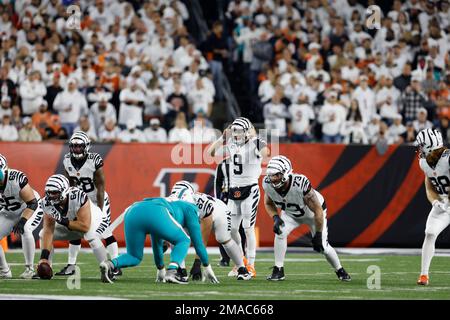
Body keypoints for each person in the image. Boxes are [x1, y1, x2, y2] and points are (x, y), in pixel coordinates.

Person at [99, 184, 219, 284]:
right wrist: (206, 265)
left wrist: (160, 268)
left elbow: (156, 241)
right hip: (156, 211)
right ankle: (172, 271)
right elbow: (198, 244)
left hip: (134, 210)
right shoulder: (190, 207)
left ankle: (110, 264)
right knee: (184, 240)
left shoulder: (167, 201)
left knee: (134, 256)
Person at [263, 155, 351, 282]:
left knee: (323, 247)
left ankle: (340, 270)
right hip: (290, 214)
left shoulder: (300, 184)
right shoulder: (267, 184)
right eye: (270, 175)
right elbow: (268, 203)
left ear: (286, 173)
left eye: (276, 175)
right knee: (280, 233)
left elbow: (318, 211)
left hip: (312, 214)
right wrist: (275, 217)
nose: (273, 178)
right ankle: (278, 269)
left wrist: (319, 235)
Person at [207, 117, 270, 277]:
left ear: (247, 131)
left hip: (250, 189)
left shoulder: (254, 143)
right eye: (234, 130)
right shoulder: (231, 144)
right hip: (234, 191)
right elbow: (210, 153)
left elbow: (266, 153)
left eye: (240, 131)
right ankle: (240, 262)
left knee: (248, 228)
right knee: (232, 229)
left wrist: (256, 140)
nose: (236, 134)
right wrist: (222, 138)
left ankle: (251, 264)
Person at [56, 131, 120, 276]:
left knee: (105, 231)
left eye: (79, 146)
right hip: (80, 200)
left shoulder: (94, 160)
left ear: (86, 147)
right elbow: (69, 185)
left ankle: (116, 264)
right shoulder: (67, 160)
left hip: (97, 198)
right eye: (74, 146)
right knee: (75, 229)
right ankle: (71, 265)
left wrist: (99, 209)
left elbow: (101, 188)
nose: (76, 149)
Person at [172, 181, 251, 281]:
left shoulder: (200, 204)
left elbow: (203, 235)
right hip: (199, 217)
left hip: (218, 211)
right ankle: (181, 271)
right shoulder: (172, 203)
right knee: (176, 238)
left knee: (223, 238)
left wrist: (198, 262)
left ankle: (242, 269)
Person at [38, 175, 109, 281]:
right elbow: (48, 230)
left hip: (95, 221)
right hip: (73, 224)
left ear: (64, 191)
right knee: (42, 233)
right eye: (49, 192)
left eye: (55, 192)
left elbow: (85, 226)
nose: (51, 196)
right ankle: (48, 267)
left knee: (91, 235)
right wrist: (44, 258)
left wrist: (63, 221)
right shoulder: (46, 203)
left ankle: (108, 268)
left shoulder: (78, 196)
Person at [0, 154, 44, 279]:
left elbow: (32, 203)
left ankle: (29, 269)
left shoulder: (15, 178)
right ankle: (4, 271)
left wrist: (23, 220)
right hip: (9, 211)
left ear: (4, 169)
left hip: (29, 207)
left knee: (26, 229)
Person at [415, 128, 450, 286]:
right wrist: (434, 201)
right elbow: (429, 184)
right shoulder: (424, 162)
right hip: (443, 204)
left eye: (422, 146)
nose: (419, 149)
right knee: (429, 233)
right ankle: (424, 275)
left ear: (431, 145)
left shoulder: (448, 158)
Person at [214, 158, 247, 267]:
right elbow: (217, 183)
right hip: (226, 197)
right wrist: (218, 199)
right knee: (221, 225)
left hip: (239, 197)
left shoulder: (245, 161)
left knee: (240, 227)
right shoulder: (223, 164)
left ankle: (243, 255)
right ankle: (225, 257)